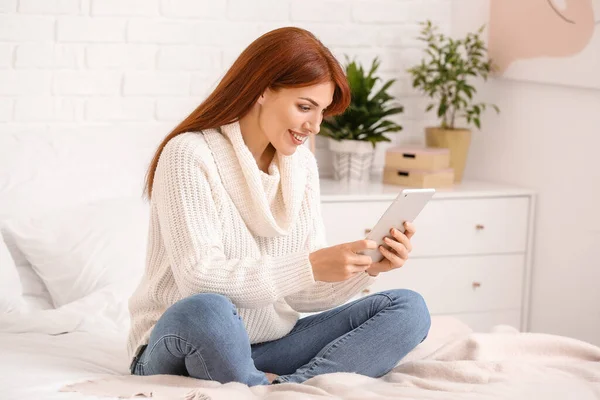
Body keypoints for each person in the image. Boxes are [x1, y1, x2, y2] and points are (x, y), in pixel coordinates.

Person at [127, 26, 431, 386]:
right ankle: (258, 383)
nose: (314, 126)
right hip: (184, 340)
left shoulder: (300, 167)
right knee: (208, 309)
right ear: (260, 90)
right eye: (304, 107)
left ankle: (289, 388)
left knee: (408, 308)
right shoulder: (189, 154)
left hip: (269, 346)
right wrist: (309, 265)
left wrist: (367, 267)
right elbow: (199, 280)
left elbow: (303, 293)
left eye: (321, 112)